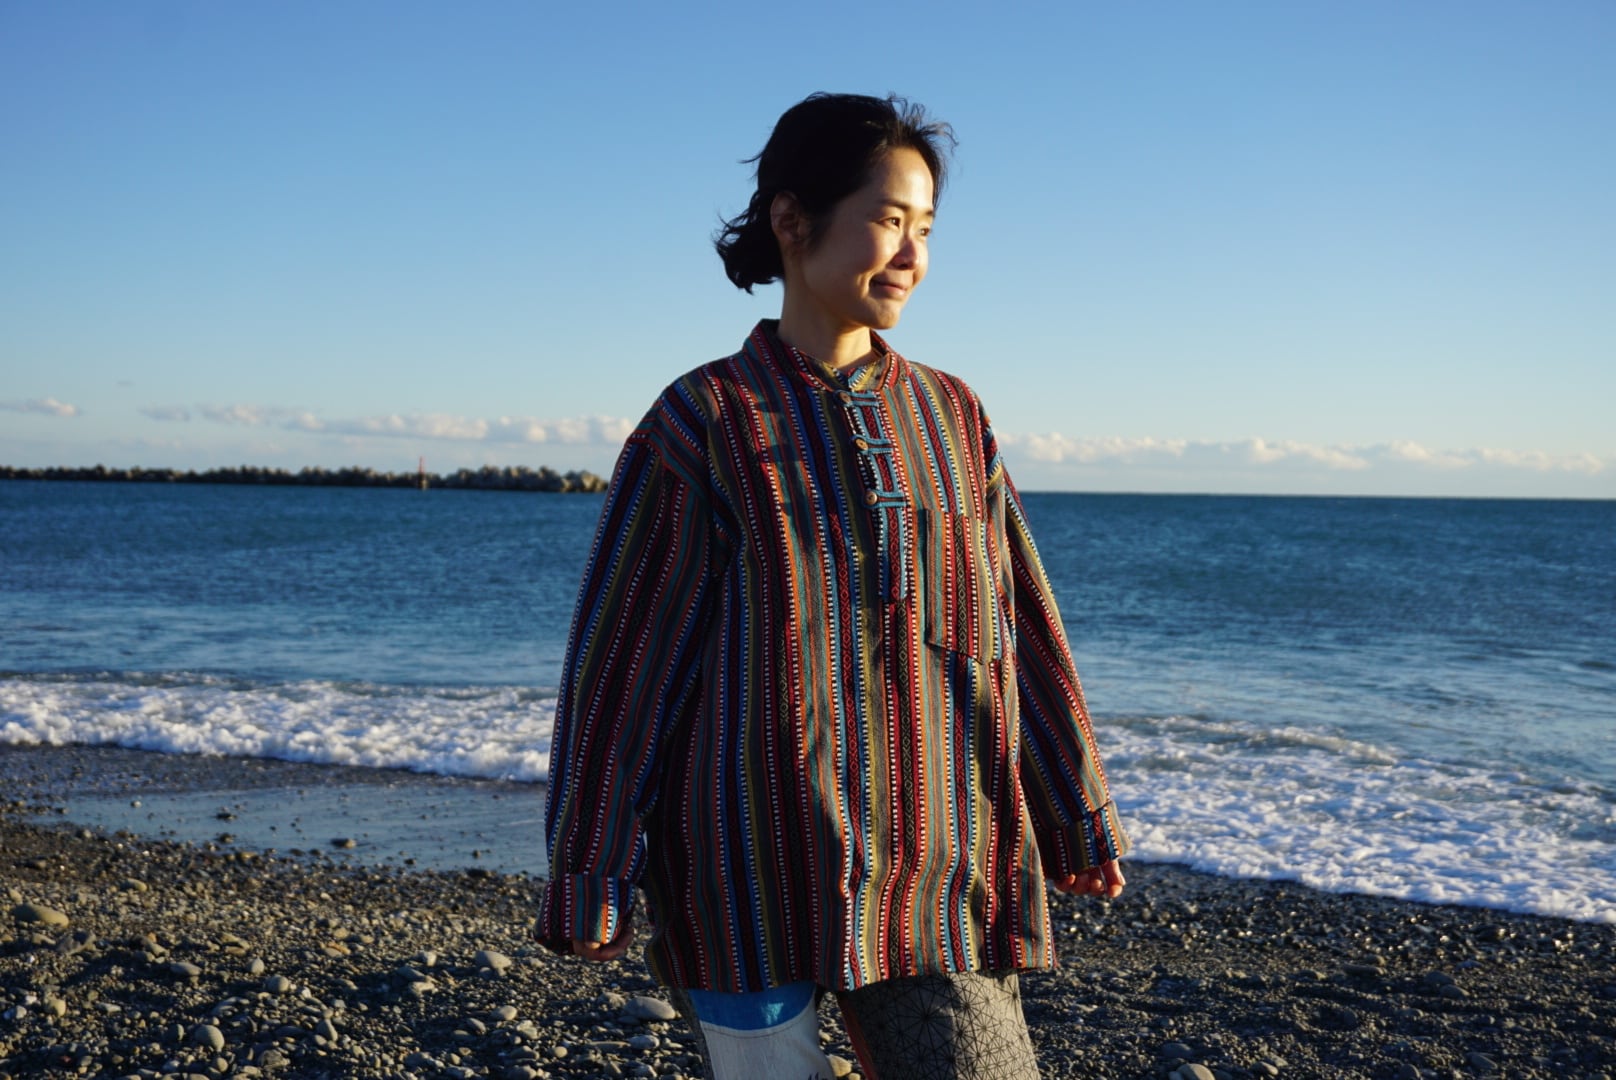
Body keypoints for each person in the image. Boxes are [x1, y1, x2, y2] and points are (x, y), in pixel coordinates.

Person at [536, 92, 1129, 1080]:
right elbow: (624, 663)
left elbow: (1020, 623)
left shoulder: (952, 416)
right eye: (889, 219)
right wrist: (591, 866)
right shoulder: (703, 421)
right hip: (743, 867)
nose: (911, 254)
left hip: (936, 862)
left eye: (926, 229)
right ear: (791, 219)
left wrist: (1073, 808)